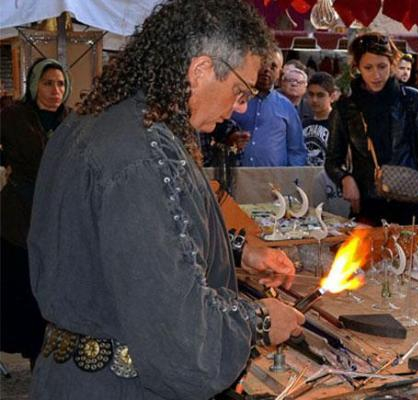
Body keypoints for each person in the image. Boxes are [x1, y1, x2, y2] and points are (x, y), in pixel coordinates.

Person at [26, 1, 305, 398]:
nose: (239, 108)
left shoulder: (101, 120)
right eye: (239, 91)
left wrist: (236, 250)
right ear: (201, 70)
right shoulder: (142, 153)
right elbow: (180, 332)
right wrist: (259, 320)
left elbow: (129, 239)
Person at [325, 33, 418, 227]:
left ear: (392, 65)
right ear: (357, 68)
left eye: (382, 67)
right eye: (368, 68)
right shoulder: (345, 107)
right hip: (368, 202)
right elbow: (333, 160)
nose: (376, 75)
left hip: (409, 200)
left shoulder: (410, 99)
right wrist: (345, 178)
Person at [1, 58, 70, 368]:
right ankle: (32, 354)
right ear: (34, 85)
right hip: (17, 222)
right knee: (20, 292)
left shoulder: (73, 122)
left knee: (52, 291)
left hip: (58, 219)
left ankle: (47, 357)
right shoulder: (14, 117)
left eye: (60, 84)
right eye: (48, 83)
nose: (55, 90)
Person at [232, 48, 308, 167]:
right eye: (263, 64)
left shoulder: (287, 107)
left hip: (274, 182)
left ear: (279, 73)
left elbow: (297, 151)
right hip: (237, 178)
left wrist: (290, 180)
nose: (267, 70)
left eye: (273, 67)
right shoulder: (235, 101)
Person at [303, 71, 336, 167]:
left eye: (320, 95)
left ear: (332, 96)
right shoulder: (304, 124)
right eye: (311, 94)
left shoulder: (340, 124)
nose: (314, 100)